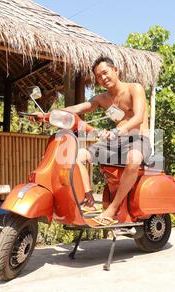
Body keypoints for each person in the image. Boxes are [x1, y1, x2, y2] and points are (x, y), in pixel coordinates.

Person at [32, 56, 151, 226]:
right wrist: (47, 116)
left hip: (138, 138)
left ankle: (112, 209)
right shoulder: (102, 98)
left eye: (105, 72)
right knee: (77, 156)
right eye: (98, 76)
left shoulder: (134, 88)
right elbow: (77, 108)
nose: (102, 78)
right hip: (116, 142)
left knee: (134, 159)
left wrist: (118, 131)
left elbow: (139, 117)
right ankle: (88, 200)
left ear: (115, 70)